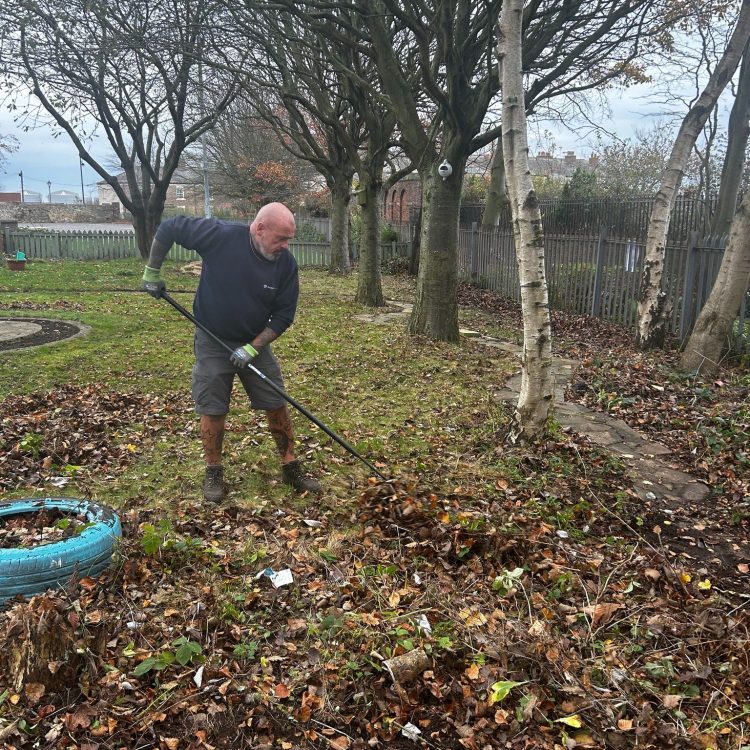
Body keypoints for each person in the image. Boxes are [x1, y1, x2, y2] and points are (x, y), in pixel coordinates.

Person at [140, 202, 322, 502]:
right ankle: (213, 470)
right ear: (260, 229)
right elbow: (170, 227)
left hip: (254, 342)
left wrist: (253, 347)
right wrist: (151, 271)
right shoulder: (220, 235)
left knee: (276, 402)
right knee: (213, 407)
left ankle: (291, 467)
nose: (285, 246)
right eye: (281, 238)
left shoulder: (285, 264)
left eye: (289, 239)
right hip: (213, 339)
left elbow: (284, 316)